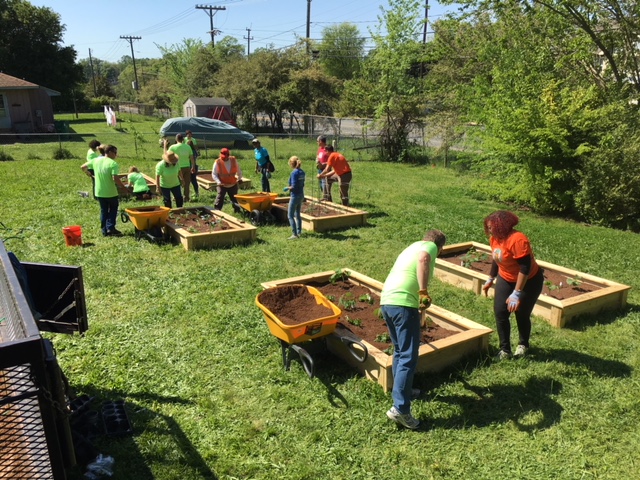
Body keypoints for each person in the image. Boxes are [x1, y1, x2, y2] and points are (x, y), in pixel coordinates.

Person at [380, 229, 447, 429]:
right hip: (402, 304)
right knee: (409, 355)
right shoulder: (430, 247)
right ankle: (400, 409)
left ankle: (402, 392)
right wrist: (423, 291)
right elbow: (424, 258)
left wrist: (420, 310)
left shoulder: (411, 247)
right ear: (440, 246)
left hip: (387, 301)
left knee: (400, 351)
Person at [481, 210, 544, 360]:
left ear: (502, 226)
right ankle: (505, 350)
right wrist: (490, 278)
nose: (489, 229)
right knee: (501, 312)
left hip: (529, 281)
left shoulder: (517, 239)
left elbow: (525, 268)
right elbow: (497, 258)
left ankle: (523, 344)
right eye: (488, 227)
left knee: (521, 313)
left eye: (492, 227)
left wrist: (516, 293)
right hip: (505, 277)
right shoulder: (494, 239)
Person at [81, 144, 126, 237]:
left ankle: (104, 230)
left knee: (104, 211)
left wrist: (89, 174)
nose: (116, 155)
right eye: (115, 152)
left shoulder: (96, 160)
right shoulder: (113, 163)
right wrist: (123, 187)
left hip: (99, 192)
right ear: (109, 152)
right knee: (113, 209)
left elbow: (83, 167)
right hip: (110, 192)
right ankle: (110, 228)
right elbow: (115, 178)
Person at [166, 134, 195, 202]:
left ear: (176, 139)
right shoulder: (188, 147)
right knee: (187, 183)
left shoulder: (172, 147)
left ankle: (176, 196)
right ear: (183, 139)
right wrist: (193, 166)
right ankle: (186, 197)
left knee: (176, 183)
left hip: (177, 167)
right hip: (187, 167)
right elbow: (191, 158)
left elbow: (168, 156)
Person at [156, 142, 183, 208]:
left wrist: (182, 179)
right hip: (165, 186)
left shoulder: (176, 163)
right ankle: (169, 213)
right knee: (167, 201)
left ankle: (179, 211)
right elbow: (157, 176)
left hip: (175, 184)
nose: (173, 162)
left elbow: (179, 171)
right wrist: (158, 187)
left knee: (179, 198)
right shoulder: (160, 165)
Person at [284, 156, 305, 239]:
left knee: (290, 216)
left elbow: (293, 186)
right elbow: (302, 184)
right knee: (298, 214)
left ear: (291, 164)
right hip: (301, 195)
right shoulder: (302, 172)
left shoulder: (294, 173)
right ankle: (299, 231)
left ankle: (294, 234)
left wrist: (287, 188)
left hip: (295, 196)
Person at [185, 130, 200, 198]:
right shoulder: (186, 151)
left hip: (189, 168)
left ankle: (195, 193)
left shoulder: (192, 152)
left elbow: (194, 158)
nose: (190, 135)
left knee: (192, 180)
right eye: (188, 134)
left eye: (190, 134)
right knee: (192, 181)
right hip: (189, 167)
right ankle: (189, 194)